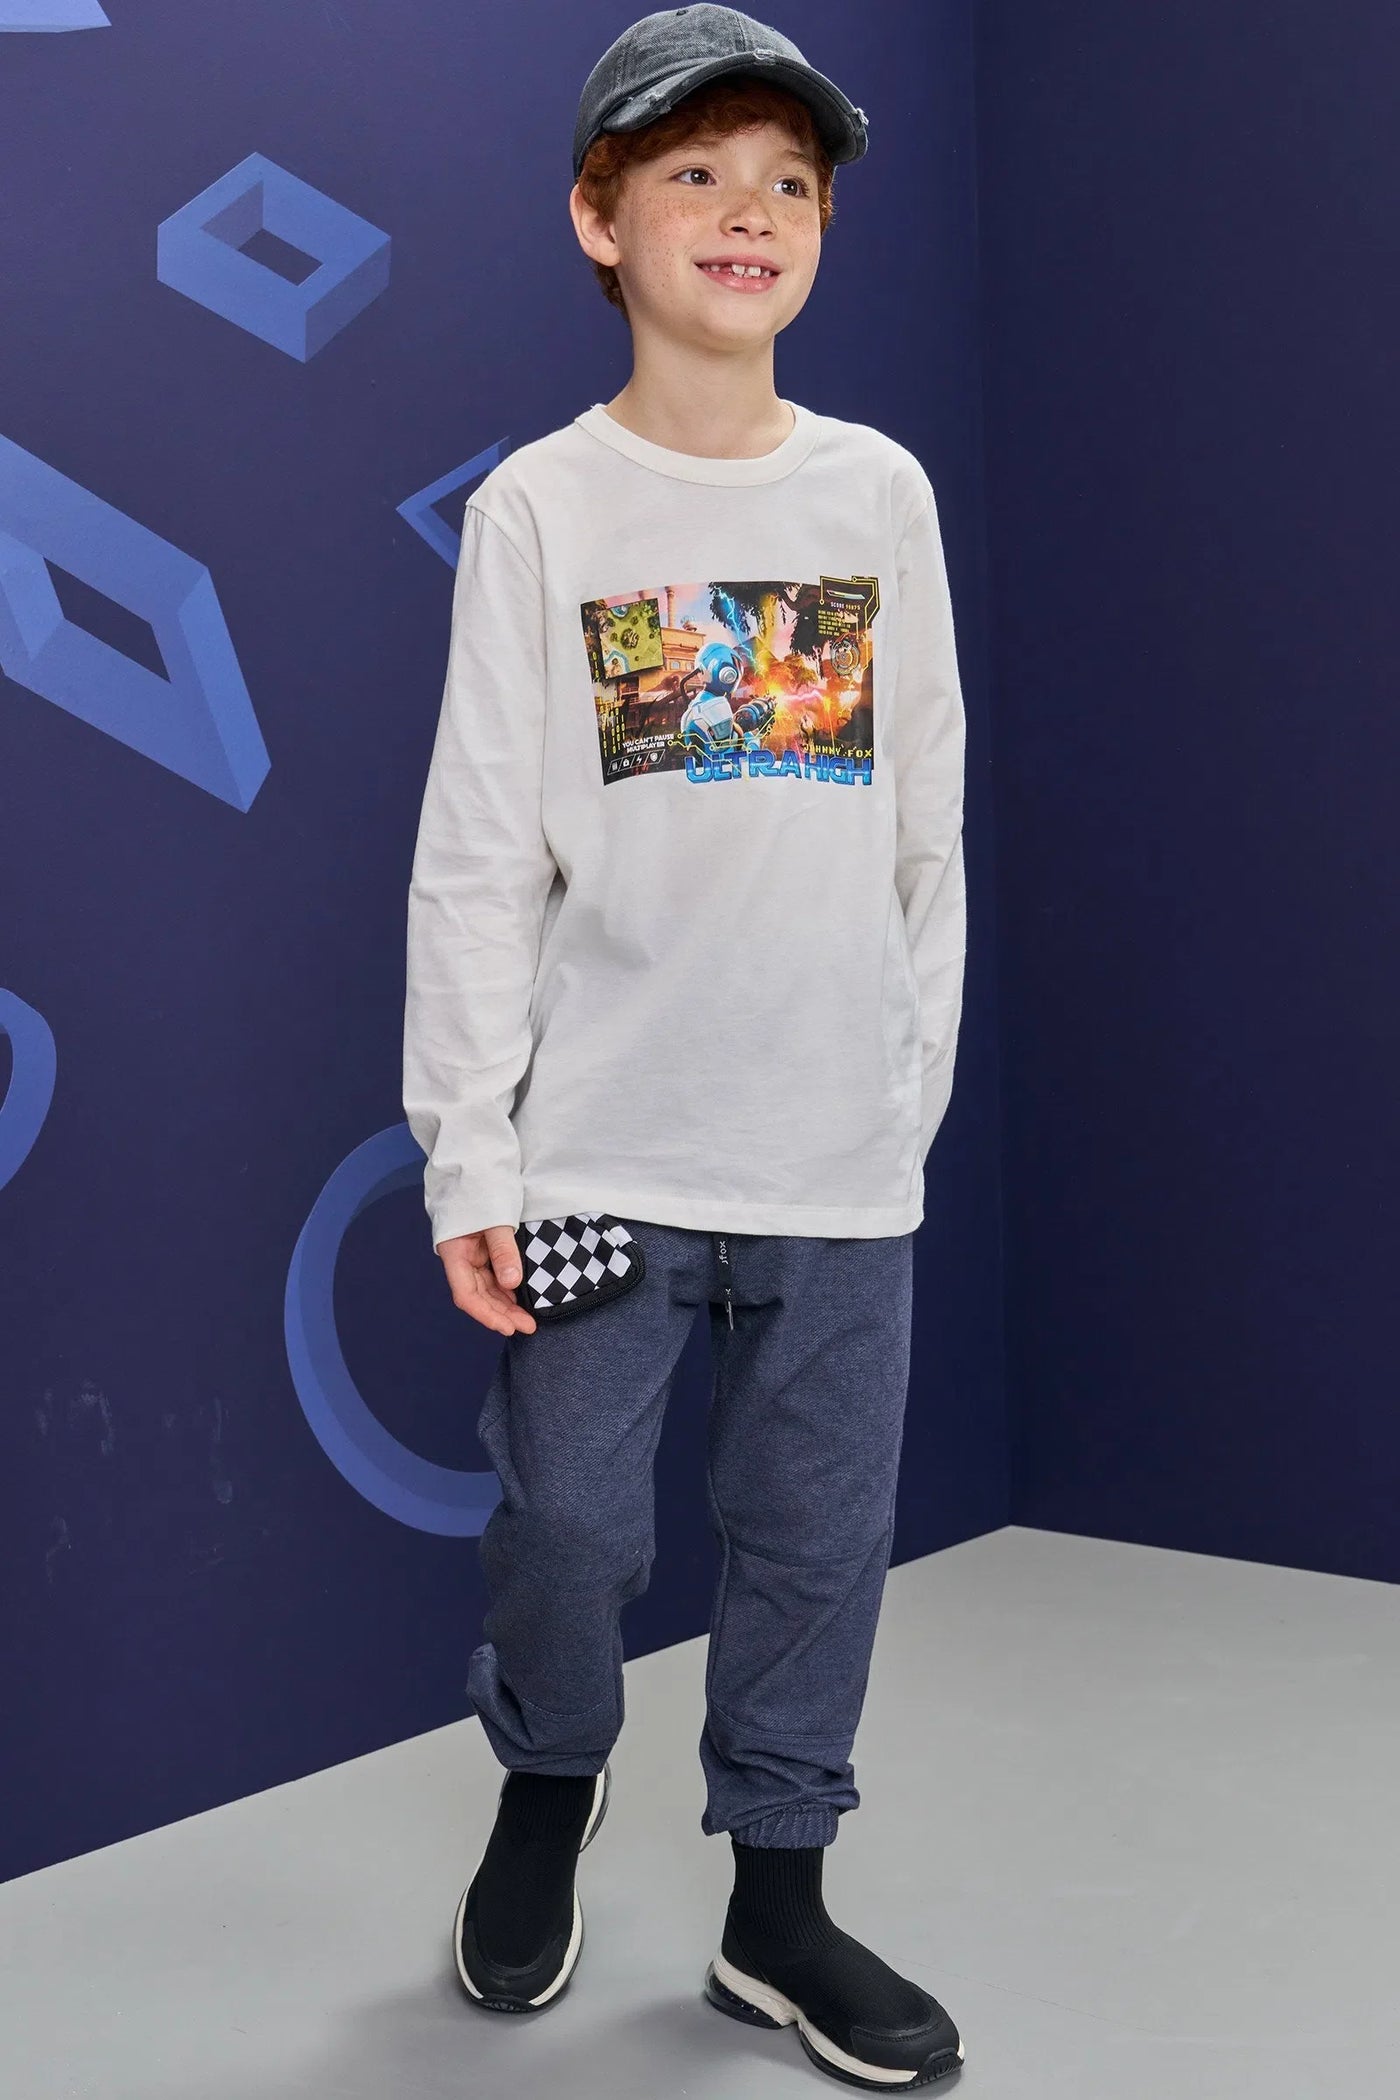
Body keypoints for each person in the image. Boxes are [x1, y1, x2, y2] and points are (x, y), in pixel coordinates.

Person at [401, 6, 968, 2086]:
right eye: (697, 172)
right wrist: (473, 1153)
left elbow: (925, 831)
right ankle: (548, 1780)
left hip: (832, 1156)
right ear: (598, 217)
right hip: (601, 1152)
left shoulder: (876, 492)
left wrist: (897, 1101)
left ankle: (776, 1906)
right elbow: (478, 855)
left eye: (789, 180)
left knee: (812, 1547)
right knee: (566, 1527)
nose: (750, 211)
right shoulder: (543, 509)